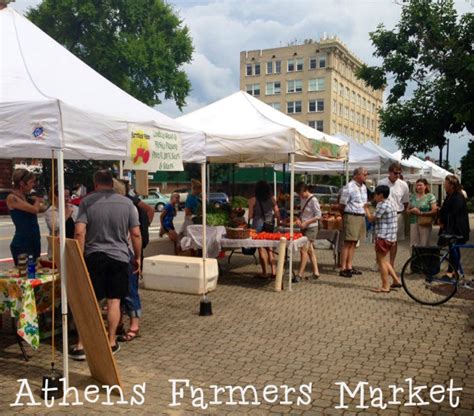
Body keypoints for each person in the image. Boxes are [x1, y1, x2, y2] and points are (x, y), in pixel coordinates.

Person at [73, 170, 141, 359]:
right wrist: (137, 257)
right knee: (114, 301)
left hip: (94, 257)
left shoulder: (87, 202)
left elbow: (79, 232)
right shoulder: (127, 203)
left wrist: (79, 257)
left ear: (95, 184)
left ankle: (81, 344)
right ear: (111, 183)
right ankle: (111, 341)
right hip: (119, 258)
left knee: (90, 301)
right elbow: (135, 234)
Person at [364, 185, 402, 293]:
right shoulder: (391, 203)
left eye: (375, 194)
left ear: (380, 195)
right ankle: (396, 280)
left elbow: (371, 219)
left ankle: (385, 286)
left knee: (381, 261)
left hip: (383, 236)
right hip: (391, 237)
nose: (374, 196)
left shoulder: (382, 204)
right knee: (384, 260)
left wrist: (366, 209)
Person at [6, 169, 44, 265]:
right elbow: (35, 210)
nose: (33, 185)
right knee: (26, 274)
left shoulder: (26, 197)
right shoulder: (12, 197)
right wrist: (37, 201)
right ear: (22, 183)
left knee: (35, 272)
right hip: (22, 243)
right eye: (31, 182)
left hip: (34, 240)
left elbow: (43, 208)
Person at [377, 162, 409, 267]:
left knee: (394, 241)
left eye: (399, 173)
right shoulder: (381, 183)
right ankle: (381, 262)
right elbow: (377, 199)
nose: (397, 175)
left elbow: (405, 202)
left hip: (397, 215)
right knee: (382, 240)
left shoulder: (403, 185)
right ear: (389, 172)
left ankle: (391, 264)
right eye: (395, 173)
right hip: (384, 216)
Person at [339, 167, 368, 278]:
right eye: (364, 174)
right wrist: (345, 216)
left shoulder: (364, 187)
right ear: (357, 175)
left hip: (360, 216)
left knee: (354, 242)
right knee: (348, 242)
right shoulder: (349, 187)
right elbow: (342, 205)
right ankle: (343, 268)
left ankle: (349, 266)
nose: (366, 176)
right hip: (351, 216)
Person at [248, 180, 280, 278]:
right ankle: (274, 272)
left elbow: (249, 216)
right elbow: (277, 214)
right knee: (270, 248)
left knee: (261, 249)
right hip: (269, 224)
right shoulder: (272, 199)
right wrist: (278, 225)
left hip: (257, 225)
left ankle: (265, 272)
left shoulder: (253, 200)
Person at [438, 175, 470, 273]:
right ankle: (452, 271)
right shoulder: (449, 195)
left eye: (446, 183)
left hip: (457, 229)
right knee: (453, 250)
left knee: (454, 250)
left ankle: (452, 272)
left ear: (451, 185)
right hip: (450, 228)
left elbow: (453, 213)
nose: (444, 184)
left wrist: (443, 221)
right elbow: (445, 210)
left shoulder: (458, 197)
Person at [294, 182, 321, 283]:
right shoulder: (302, 198)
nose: (300, 196)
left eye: (301, 193)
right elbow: (303, 212)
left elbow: (318, 215)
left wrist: (306, 222)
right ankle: (316, 272)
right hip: (304, 227)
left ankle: (299, 274)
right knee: (310, 250)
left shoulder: (313, 200)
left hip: (311, 228)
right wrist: (299, 220)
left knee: (303, 250)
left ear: (306, 190)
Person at [44, 186, 79, 259]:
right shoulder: (50, 212)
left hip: (73, 249)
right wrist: (66, 216)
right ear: (55, 196)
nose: (66, 199)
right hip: (58, 250)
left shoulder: (74, 208)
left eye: (68, 196)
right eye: (63, 196)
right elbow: (54, 226)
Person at [407, 179, 437, 248]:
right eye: (417, 185)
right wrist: (412, 210)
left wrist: (421, 213)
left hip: (425, 222)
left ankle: (424, 258)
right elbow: (407, 211)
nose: (418, 187)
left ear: (425, 186)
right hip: (413, 222)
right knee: (413, 243)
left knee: (424, 243)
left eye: (420, 185)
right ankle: (415, 258)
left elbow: (434, 211)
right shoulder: (412, 197)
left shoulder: (430, 196)